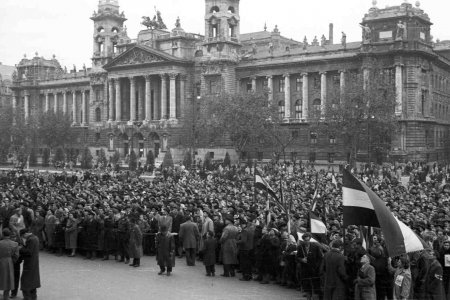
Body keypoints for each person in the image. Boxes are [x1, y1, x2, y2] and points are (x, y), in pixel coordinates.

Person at [19, 228, 41, 300]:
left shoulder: (30, 239)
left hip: (29, 263)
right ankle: (33, 297)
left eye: (22, 236)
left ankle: (27, 298)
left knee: (25, 281)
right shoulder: (35, 237)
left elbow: (28, 252)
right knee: (33, 281)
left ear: (25, 234)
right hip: (34, 262)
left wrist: (20, 248)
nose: (23, 238)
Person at [0, 228, 19, 300]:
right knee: (8, 280)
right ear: (9, 235)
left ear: (3, 234)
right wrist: (11, 261)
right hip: (9, 262)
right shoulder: (15, 244)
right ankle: (5, 297)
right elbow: (16, 256)